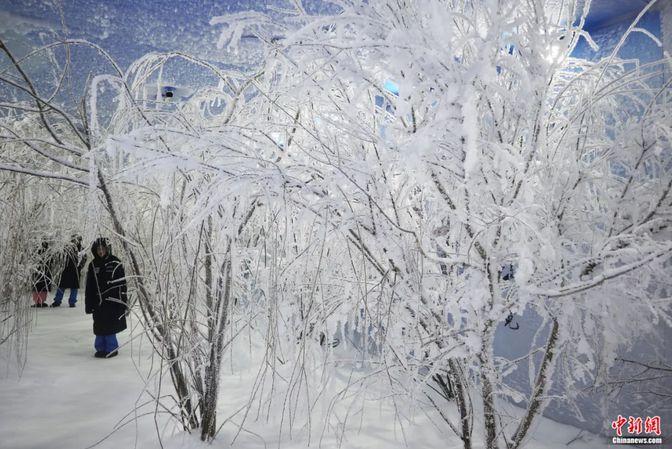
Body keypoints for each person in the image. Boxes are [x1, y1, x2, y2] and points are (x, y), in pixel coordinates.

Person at [85, 238, 128, 358]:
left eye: (102, 249)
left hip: (112, 301)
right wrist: (89, 304)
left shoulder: (115, 262)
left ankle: (111, 348)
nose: (100, 251)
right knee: (99, 325)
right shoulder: (93, 265)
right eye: (98, 249)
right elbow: (89, 286)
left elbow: (122, 284)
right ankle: (100, 348)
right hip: (98, 302)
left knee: (110, 325)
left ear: (107, 249)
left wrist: (123, 301)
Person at [51, 234, 87, 307]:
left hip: (72, 270)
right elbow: (61, 257)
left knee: (70, 287)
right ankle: (61, 301)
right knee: (64, 286)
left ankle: (67, 302)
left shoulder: (80, 249)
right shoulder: (67, 248)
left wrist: (80, 266)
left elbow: (84, 258)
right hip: (68, 269)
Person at [31, 240, 53, 308]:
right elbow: (51, 262)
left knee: (37, 287)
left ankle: (37, 301)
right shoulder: (48, 252)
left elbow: (33, 260)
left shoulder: (36, 252)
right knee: (43, 288)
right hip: (46, 272)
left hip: (37, 272)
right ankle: (41, 301)